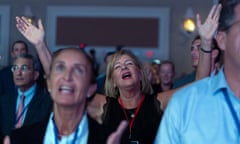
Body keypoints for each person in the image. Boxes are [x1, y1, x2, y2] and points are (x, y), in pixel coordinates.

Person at [15, 17, 163, 143]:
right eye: (118, 66)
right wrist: (40, 46)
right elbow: (62, 84)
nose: (124, 68)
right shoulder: (106, 105)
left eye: (129, 64)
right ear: (112, 78)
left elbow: (185, 93)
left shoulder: (156, 101)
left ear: (140, 72)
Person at [154, 2, 240, 143]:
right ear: (222, 40)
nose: (194, 53)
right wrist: (205, 43)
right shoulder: (185, 104)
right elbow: (200, 84)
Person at [0, 53, 52, 136]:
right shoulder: (4, 100)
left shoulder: (47, 101)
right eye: (15, 68)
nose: (18, 73)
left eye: (23, 68)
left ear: (35, 75)